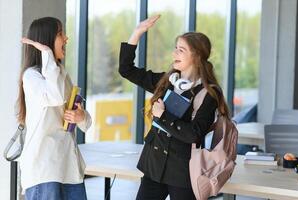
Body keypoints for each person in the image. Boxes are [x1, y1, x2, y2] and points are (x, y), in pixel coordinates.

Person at [119, 15, 230, 200]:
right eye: (175, 49)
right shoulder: (166, 82)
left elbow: (195, 133)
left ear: (197, 56)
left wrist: (162, 116)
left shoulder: (209, 93)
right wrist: (137, 32)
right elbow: (126, 69)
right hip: (154, 166)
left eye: (181, 50)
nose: (174, 54)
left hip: (183, 172)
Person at [16, 17, 92, 200]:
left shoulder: (62, 76)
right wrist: (48, 54)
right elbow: (54, 96)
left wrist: (81, 116)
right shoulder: (32, 76)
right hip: (45, 171)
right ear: (46, 41)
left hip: (70, 170)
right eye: (60, 34)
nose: (66, 38)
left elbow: (85, 123)